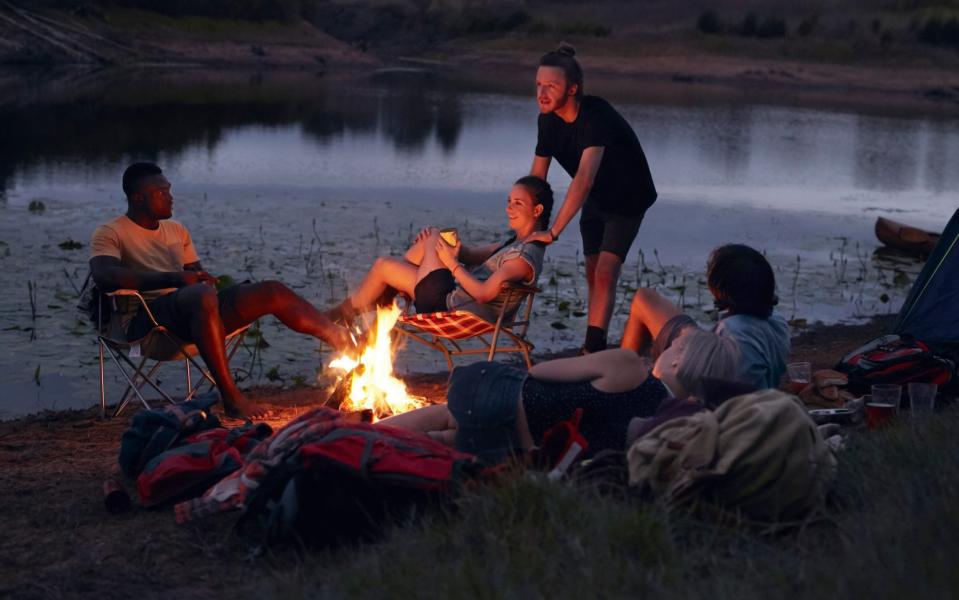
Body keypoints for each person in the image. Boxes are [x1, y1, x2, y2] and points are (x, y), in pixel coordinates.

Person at [90, 162, 351, 419]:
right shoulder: (111, 232)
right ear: (137, 198)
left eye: (169, 189)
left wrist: (208, 285)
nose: (170, 197)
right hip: (145, 325)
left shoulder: (176, 230)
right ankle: (232, 399)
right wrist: (176, 278)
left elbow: (199, 281)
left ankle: (347, 343)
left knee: (271, 291)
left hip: (191, 318)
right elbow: (105, 275)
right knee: (200, 296)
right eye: (161, 192)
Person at [379, 328, 744, 464]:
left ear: (678, 359)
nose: (662, 350)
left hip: (509, 405)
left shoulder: (630, 365)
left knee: (446, 414)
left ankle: (365, 437)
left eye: (672, 345)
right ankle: (384, 451)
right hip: (522, 453)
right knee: (451, 438)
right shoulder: (666, 427)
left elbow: (540, 372)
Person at [526, 43, 658, 354]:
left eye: (551, 86)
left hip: (628, 197)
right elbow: (536, 179)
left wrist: (553, 231)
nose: (542, 93)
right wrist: (526, 224)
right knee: (592, 271)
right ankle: (595, 338)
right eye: (538, 85)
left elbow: (583, 180)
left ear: (572, 89)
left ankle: (592, 349)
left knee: (605, 272)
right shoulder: (547, 121)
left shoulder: (597, 116)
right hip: (598, 199)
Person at [325, 176, 553, 325]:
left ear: (537, 210)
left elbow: (484, 294)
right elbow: (471, 255)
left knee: (422, 243)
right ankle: (368, 303)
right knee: (389, 263)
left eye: (518, 203)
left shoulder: (523, 258)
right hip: (450, 298)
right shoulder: (512, 245)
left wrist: (451, 263)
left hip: (448, 305)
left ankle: (360, 306)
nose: (508, 208)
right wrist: (450, 247)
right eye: (509, 201)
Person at [621, 243, 790, 390]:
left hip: (707, 395)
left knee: (643, 299)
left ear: (720, 288)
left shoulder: (730, 332)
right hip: (748, 398)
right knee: (645, 298)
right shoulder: (778, 324)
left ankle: (620, 379)